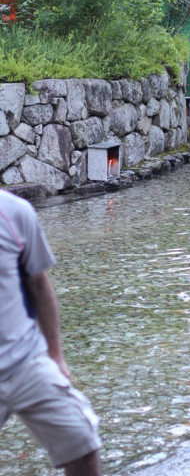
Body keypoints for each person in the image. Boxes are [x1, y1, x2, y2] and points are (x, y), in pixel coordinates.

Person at [0, 189, 102, 476]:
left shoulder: (15, 212)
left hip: (25, 362)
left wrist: (56, 356)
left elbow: (39, 285)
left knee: (83, 442)